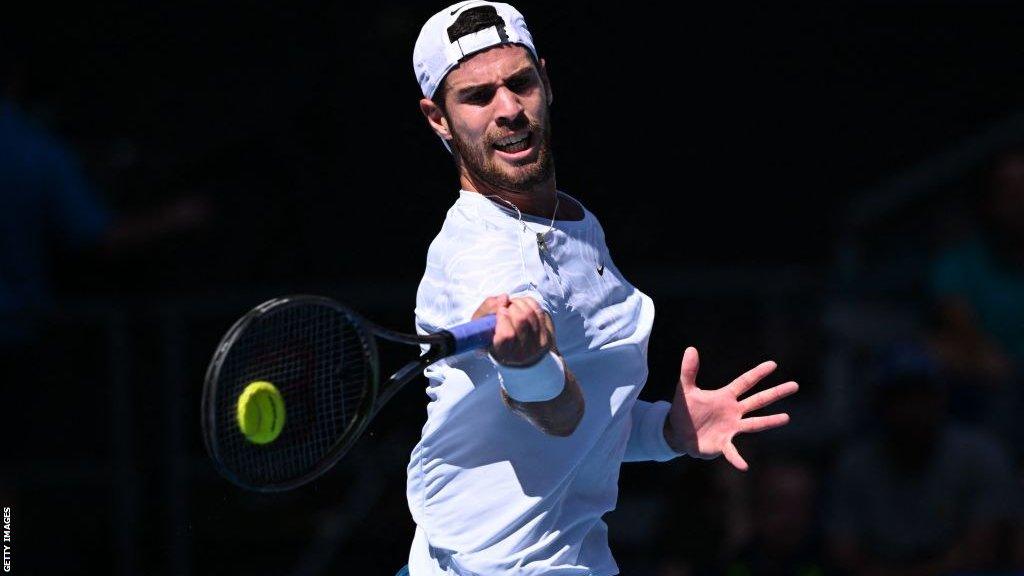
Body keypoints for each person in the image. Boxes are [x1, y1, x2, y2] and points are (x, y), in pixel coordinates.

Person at [404, 2, 799, 574]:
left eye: (520, 83)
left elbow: (575, 435)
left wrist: (664, 431)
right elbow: (557, 415)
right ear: (437, 118)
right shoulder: (480, 259)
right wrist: (526, 363)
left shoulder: (568, 219)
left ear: (546, 79)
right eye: (477, 96)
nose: (509, 109)